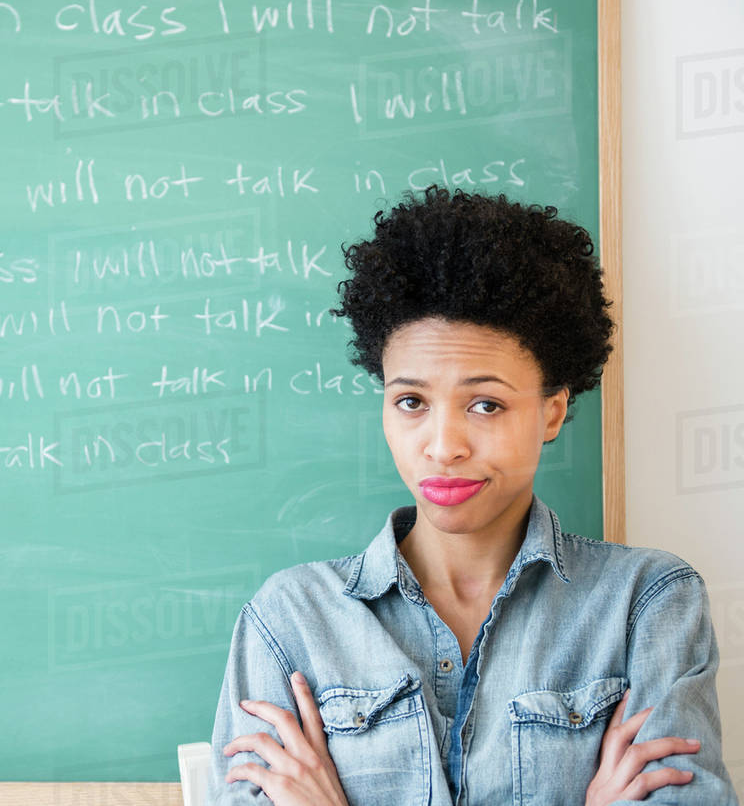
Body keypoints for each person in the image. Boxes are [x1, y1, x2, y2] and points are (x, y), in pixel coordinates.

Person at [206, 186, 737, 805]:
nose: (442, 445)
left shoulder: (646, 606)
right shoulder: (290, 621)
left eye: (485, 404)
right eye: (411, 402)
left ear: (552, 411)